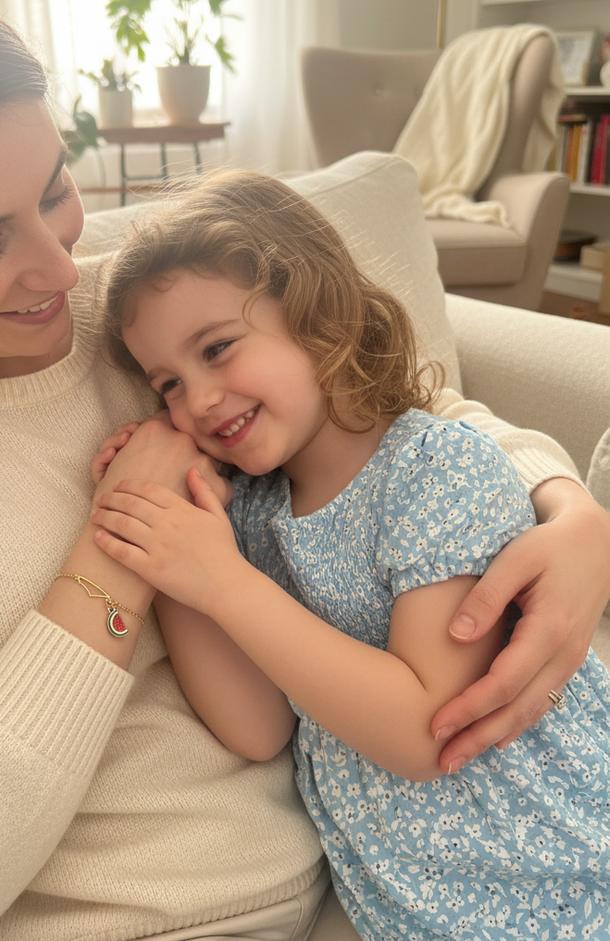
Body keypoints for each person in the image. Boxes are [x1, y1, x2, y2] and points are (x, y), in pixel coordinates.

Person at [0, 0, 607, 941]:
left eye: (57, 188)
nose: (59, 265)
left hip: (373, 883)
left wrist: (563, 508)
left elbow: (393, 406)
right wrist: (122, 551)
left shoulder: (135, 315)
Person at [91, 171, 610, 939]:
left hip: (552, 865)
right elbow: (258, 727)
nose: (196, 400)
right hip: (415, 903)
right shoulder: (256, 515)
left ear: (316, 315)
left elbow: (425, 729)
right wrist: (172, 551)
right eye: (168, 383)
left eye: (218, 348)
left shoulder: (435, 469)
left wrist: (222, 581)